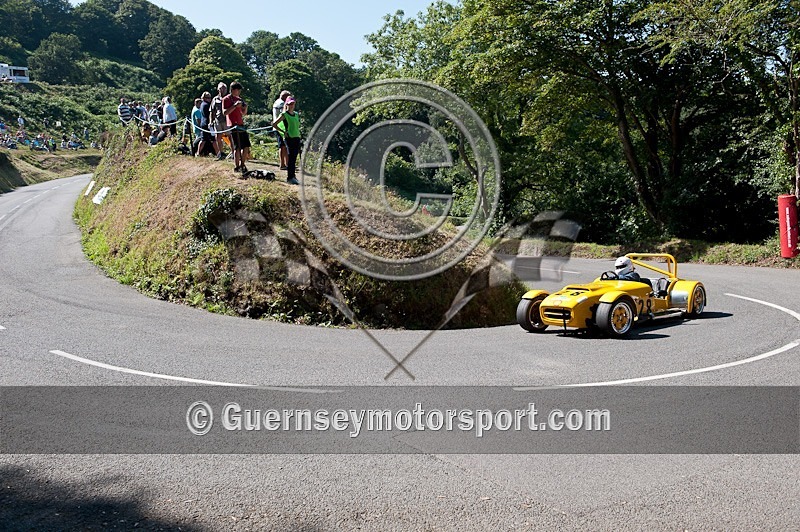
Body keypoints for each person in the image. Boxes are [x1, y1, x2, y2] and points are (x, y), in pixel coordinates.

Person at [222, 81, 250, 173]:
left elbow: (244, 113)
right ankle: (237, 166)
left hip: (241, 124)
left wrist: (245, 107)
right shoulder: (226, 99)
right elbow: (225, 112)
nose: (239, 92)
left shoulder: (240, 99)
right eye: (238, 90)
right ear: (233, 90)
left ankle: (242, 164)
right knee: (236, 147)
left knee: (246, 146)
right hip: (233, 125)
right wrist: (234, 106)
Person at [272, 96, 301, 185]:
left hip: (296, 137)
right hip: (289, 138)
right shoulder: (284, 114)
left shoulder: (296, 114)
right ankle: (290, 177)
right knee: (290, 158)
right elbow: (274, 124)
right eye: (290, 104)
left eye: (293, 104)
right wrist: (283, 132)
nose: (291, 105)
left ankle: (293, 176)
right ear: (286, 105)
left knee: (294, 157)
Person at [272, 90, 292, 169]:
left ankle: (286, 163)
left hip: (280, 127)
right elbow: (284, 114)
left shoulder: (277, 102)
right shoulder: (281, 104)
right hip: (280, 128)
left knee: (285, 146)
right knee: (282, 146)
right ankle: (282, 164)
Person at [210, 82, 230, 156]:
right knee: (218, 137)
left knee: (229, 136)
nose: (223, 90)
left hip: (227, 120)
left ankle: (233, 152)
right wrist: (211, 121)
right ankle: (221, 153)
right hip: (218, 120)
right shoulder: (215, 99)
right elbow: (212, 111)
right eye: (221, 88)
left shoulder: (229, 98)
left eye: (225, 89)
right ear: (218, 89)